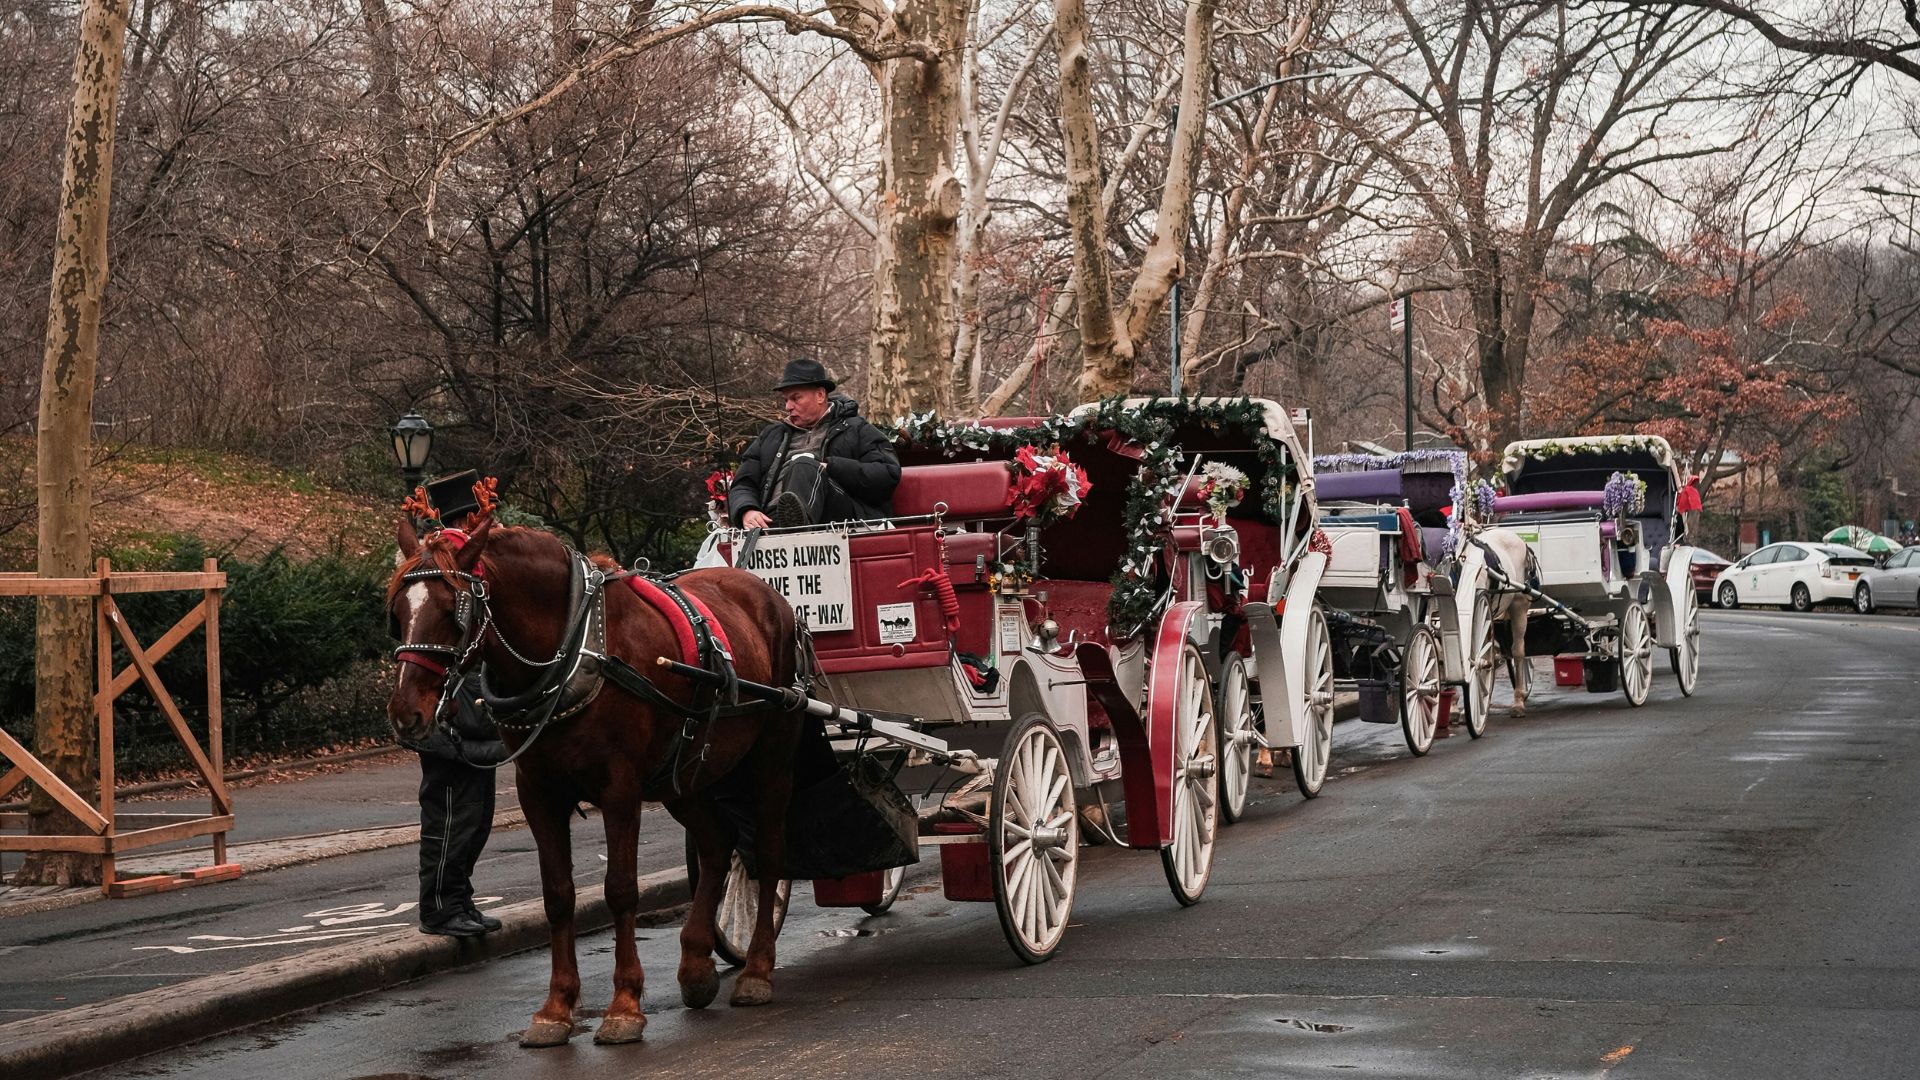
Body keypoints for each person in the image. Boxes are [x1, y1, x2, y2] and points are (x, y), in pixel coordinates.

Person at [409, 470, 509, 937]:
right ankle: (439, 908)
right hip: (452, 710)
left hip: (469, 708)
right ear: (469, 514)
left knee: (474, 818)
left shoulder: (445, 555)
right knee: (450, 817)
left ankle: (459, 901)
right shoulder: (447, 557)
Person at [727, 358, 900, 529]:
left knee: (803, 464)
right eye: (786, 400)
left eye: (796, 398)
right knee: (799, 468)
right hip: (770, 521)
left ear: (820, 395)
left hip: (837, 520)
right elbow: (743, 482)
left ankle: (793, 529)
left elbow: (887, 475)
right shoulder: (770, 436)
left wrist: (830, 467)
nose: (788, 406)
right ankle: (787, 528)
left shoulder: (857, 429)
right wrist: (747, 510)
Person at [1676, 474, 1704, 542]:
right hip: (1684, 512)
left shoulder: (1690, 491)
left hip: (1686, 512)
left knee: (1687, 525)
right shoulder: (1689, 491)